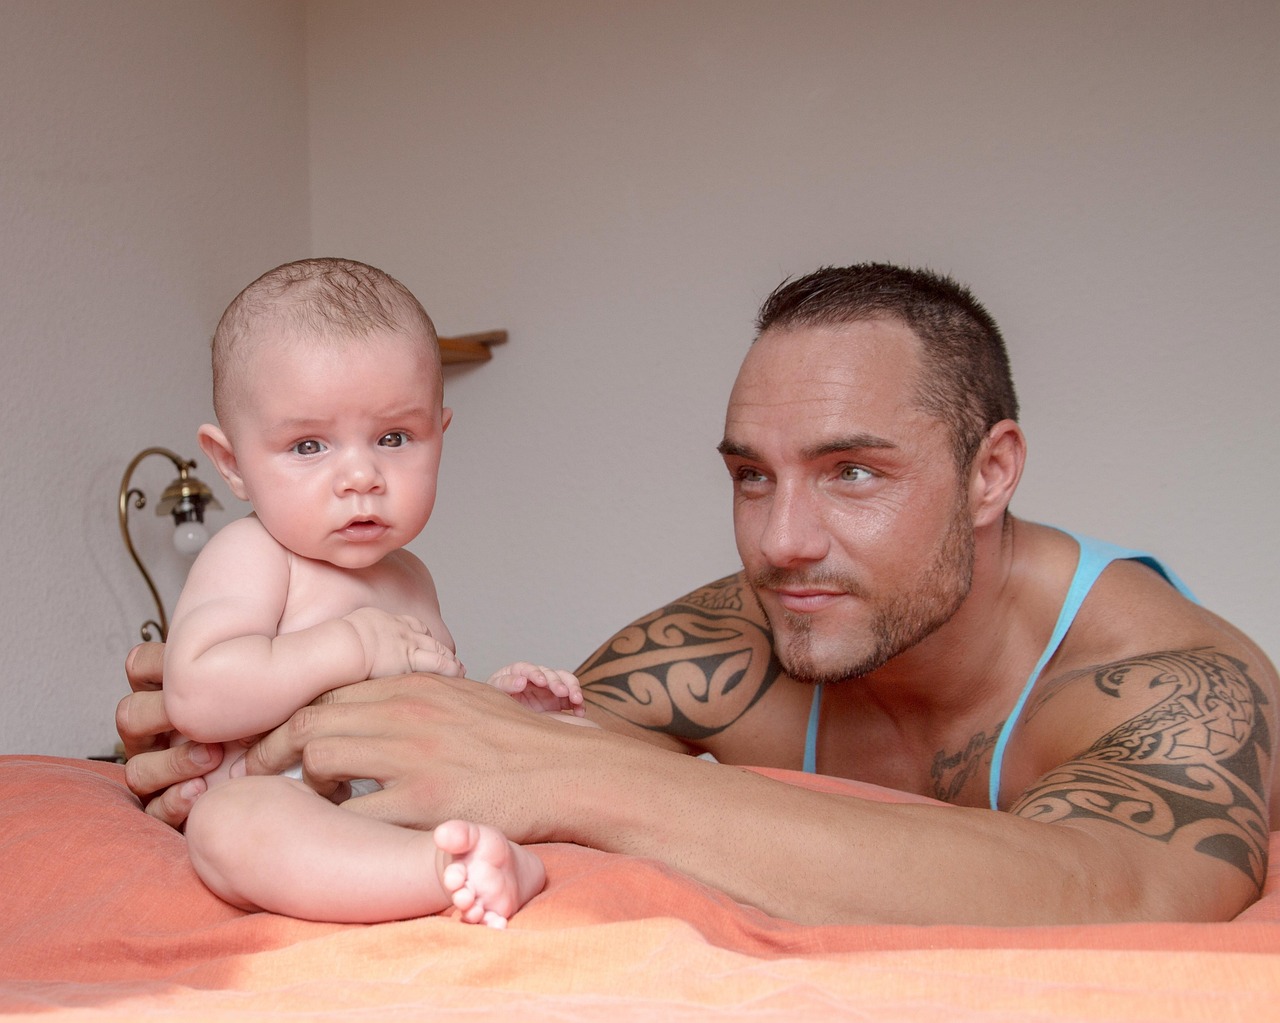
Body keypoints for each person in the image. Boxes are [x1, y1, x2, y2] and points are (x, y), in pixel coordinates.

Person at [120, 262, 1278, 927]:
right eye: (750, 478)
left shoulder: (1170, 683)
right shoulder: (735, 642)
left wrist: (588, 778)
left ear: (990, 472)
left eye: (853, 472)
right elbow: (485, 751)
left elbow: (1114, 889)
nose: (780, 543)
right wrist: (232, 721)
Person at [157, 257, 585, 929]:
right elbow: (197, 695)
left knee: (560, 753)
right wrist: (353, 644)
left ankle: (478, 853)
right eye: (308, 446)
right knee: (225, 822)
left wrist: (501, 707)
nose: (361, 475)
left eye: (393, 438)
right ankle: (439, 872)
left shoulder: (410, 575)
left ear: (439, 437)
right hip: (292, 798)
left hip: (411, 791)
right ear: (232, 464)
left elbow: (428, 706)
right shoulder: (254, 554)